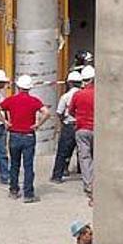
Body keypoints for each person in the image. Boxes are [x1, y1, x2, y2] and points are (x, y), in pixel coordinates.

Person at [0, 75, 51, 203]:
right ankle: (28, 194)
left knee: (14, 164)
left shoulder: (11, 100)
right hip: (29, 136)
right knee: (28, 165)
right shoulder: (34, 101)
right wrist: (38, 124)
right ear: (29, 88)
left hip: (14, 135)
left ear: (18, 87)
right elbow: (47, 113)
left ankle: (14, 190)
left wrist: (5, 122)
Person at [51, 70, 83, 183]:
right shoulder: (83, 95)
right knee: (83, 151)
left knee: (63, 151)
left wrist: (62, 122)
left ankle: (57, 175)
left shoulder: (65, 96)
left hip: (69, 125)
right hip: (82, 125)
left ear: (69, 83)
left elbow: (59, 112)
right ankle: (82, 171)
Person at [69, 66, 95, 196]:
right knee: (97, 157)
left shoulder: (77, 94)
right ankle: (98, 183)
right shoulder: (99, 94)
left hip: (81, 128)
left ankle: (88, 184)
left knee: (85, 157)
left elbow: (70, 111)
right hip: (97, 129)